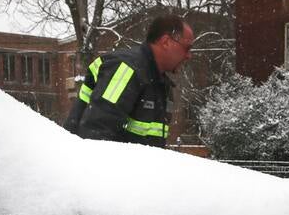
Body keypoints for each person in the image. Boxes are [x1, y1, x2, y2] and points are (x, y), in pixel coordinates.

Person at [63, 15, 194, 147]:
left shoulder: (160, 85)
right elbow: (96, 139)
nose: (189, 55)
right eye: (187, 48)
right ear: (166, 42)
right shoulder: (126, 70)